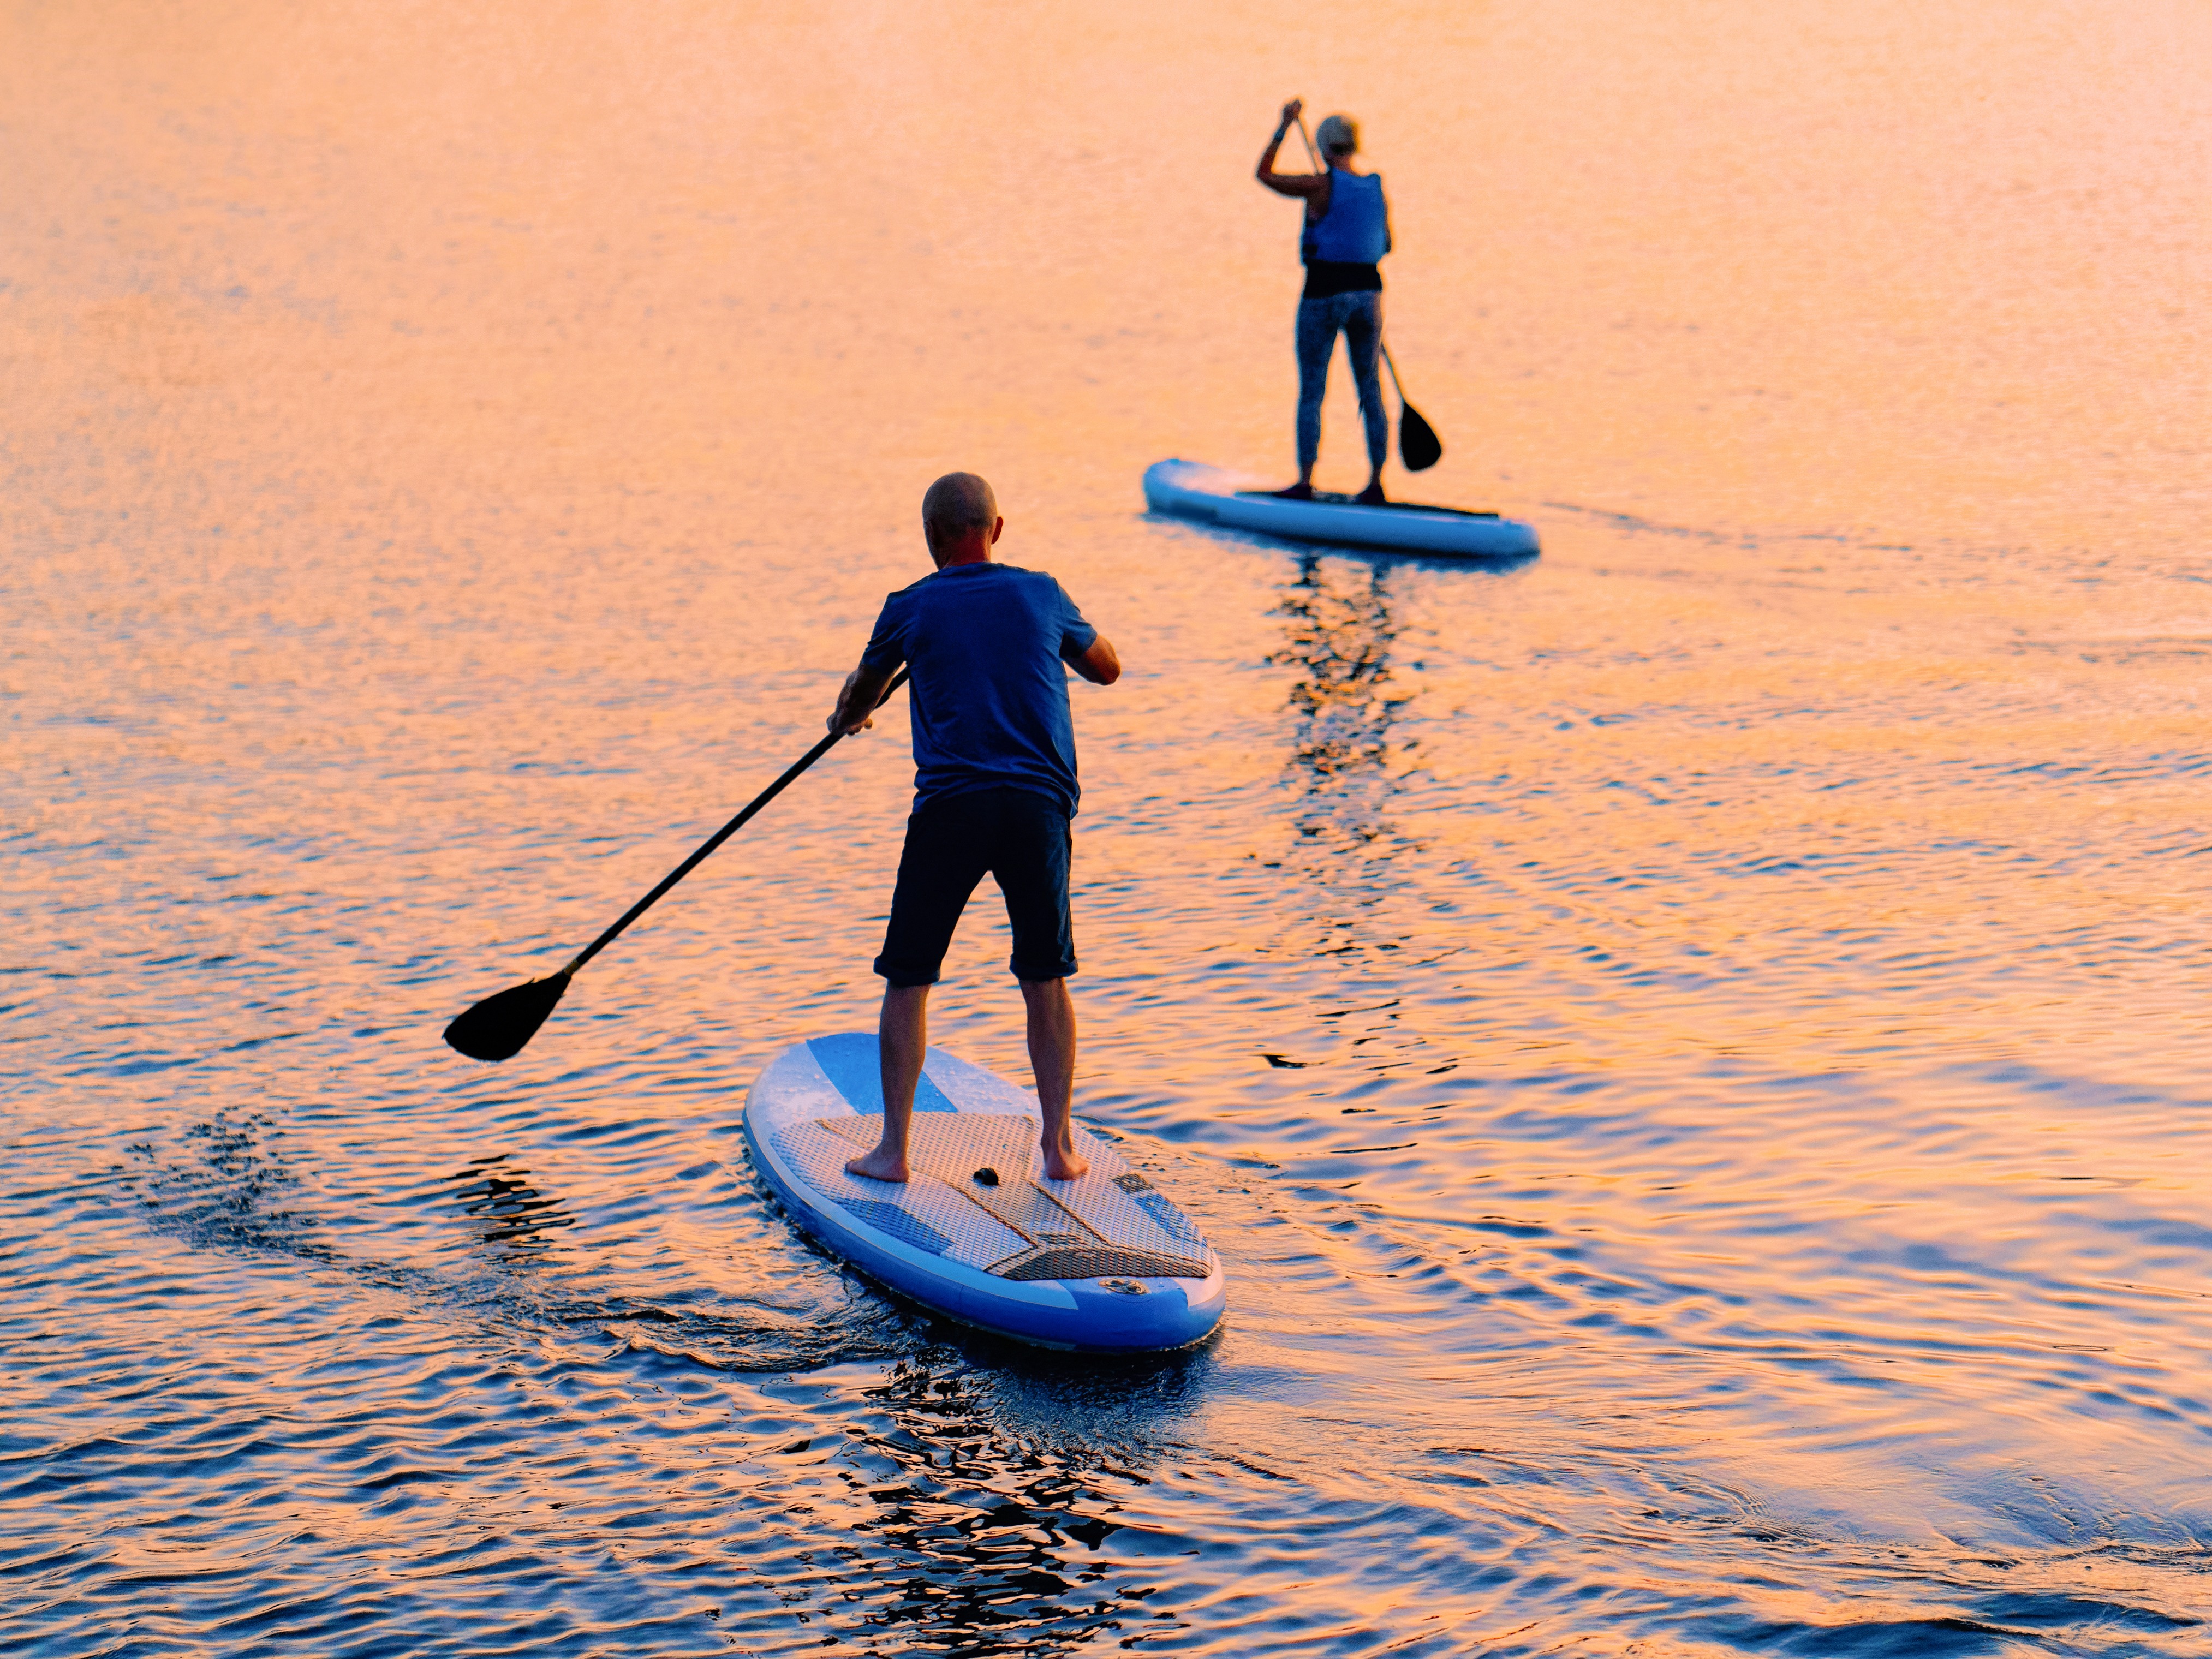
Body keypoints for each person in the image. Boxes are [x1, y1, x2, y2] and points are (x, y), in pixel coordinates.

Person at [827, 472, 1122, 1186]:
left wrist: (850, 718)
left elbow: (858, 695)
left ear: (932, 541)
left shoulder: (910, 607)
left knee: (908, 977)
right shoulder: (1042, 594)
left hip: (951, 810)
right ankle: (1056, 1148)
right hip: (1035, 810)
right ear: (997, 528)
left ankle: (894, 1151)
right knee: (1045, 977)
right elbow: (1107, 668)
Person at [1255, 98, 1393, 504]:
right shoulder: (1375, 186)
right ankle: (1375, 484)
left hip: (1323, 293)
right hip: (1368, 295)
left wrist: (1283, 126)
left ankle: (1304, 480)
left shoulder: (1319, 185)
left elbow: (1263, 175)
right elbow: (1386, 244)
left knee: (1313, 390)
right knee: (1370, 387)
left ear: (1325, 146)